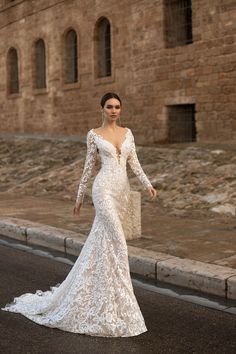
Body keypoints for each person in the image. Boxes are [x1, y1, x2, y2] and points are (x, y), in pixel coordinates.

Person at [1, 92, 157, 337]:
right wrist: (79, 198)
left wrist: (147, 184)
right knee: (119, 243)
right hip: (103, 190)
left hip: (122, 192)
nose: (114, 110)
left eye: (117, 107)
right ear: (102, 109)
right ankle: (126, 302)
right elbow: (87, 168)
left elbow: (134, 162)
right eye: (109, 107)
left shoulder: (128, 133)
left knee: (103, 244)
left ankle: (106, 294)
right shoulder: (94, 135)